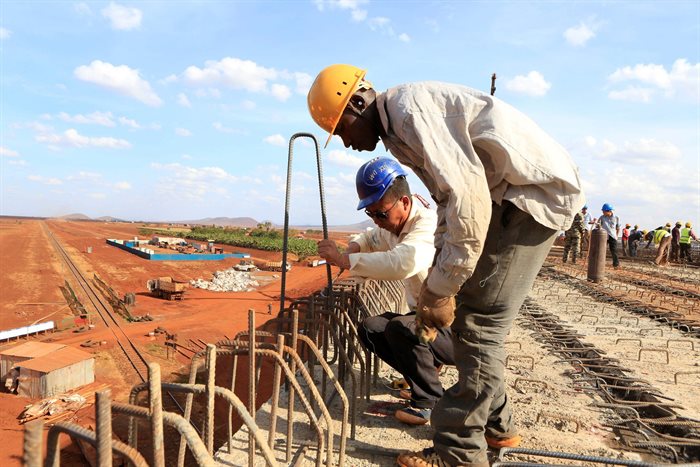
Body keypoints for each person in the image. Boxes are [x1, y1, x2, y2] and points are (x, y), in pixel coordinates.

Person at [307, 64, 585, 467]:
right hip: (513, 196)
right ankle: (497, 426)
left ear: (359, 102)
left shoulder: (408, 113)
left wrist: (440, 287)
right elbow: (447, 206)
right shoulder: (399, 127)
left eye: (342, 128)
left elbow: (466, 197)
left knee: (477, 325)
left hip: (528, 197)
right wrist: (443, 277)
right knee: (477, 322)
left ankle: (458, 452)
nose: (346, 142)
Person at [317, 156, 454, 426]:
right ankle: (425, 376)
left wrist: (345, 262)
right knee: (371, 328)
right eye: (370, 214)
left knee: (401, 329)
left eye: (381, 213)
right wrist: (353, 248)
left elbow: (403, 262)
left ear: (404, 202)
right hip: (427, 322)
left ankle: (427, 401)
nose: (377, 220)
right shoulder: (393, 225)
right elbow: (370, 237)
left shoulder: (426, 223)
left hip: (456, 328)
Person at [598, 203, 621, 269]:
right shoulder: (602, 217)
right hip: (604, 236)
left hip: (612, 236)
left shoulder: (616, 218)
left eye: (604, 211)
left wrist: (616, 236)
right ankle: (600, 264)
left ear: (609, 211)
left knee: (614, 250)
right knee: (601, 250)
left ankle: (616, 265)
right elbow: (598, 225)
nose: (603, 212)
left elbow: (618, 228)